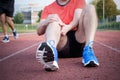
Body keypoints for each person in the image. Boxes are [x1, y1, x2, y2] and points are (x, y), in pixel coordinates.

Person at [36, 0, 99, 71]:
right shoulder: (48, 8)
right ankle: (51, 55)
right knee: (53, 20)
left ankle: (89, 49)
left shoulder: (78, 1)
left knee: (90, 8)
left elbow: (77, 18)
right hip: (61, 44)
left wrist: (67, 27)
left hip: (79, 39)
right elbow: (39, 31)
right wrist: (46, 22)